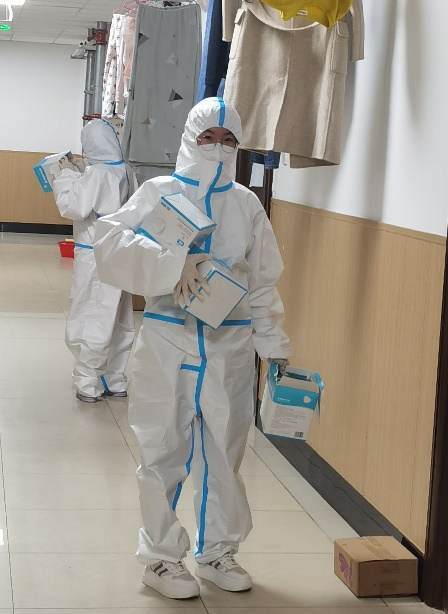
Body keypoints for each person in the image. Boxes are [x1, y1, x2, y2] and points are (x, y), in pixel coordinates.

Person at [93, 98, 292, 598]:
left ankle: (216, 551)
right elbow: (109, 242)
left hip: (230, 343)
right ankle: (161, 559)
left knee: (225, 451)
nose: (217, 148)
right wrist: (169, 262)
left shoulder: (246, 204)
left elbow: (263, 280)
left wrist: (273, 342)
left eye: (228, 140)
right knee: (162, 449)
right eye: (208, 137)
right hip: (168, 337)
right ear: (189, 138)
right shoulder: (160, 191)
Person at [52, 119, 135, 403]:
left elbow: (73, 207)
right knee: (119, 318)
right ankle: (115, 377)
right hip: (120, 253)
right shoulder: (125, 171)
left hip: (94, 256)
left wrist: (65, 175)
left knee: (92, 315)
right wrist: (80, 171)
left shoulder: (98, 173)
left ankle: (87, 381)